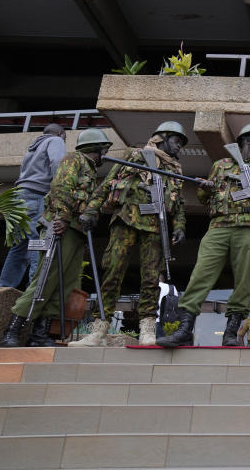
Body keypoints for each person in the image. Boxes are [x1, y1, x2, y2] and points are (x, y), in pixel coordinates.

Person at [157, 123, 250, 348]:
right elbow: (204, 198)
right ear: (246, 140)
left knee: (243, 281)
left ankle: (231, 332)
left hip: (249, 228)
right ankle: (185, 328)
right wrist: (206, 187)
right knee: (201, 275)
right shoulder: (220, 166)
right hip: (218, 227)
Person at [75, 121, 188, 347]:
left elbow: (178, 202)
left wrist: (179, 225)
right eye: (177, 141)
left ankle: (147, 329)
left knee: (151, 279)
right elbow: (108, 184)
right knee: (113, 271)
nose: (179, 147)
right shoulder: (134, 155)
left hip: (155, 227)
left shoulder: (174, 169)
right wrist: (91, 209)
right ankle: (99, 330)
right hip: (126, 219)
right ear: (162, 137)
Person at [0, 129, 112, 347]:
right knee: (45, 279)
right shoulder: (74, 159)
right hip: (62, 228)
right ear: (94, 148)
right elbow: (61, 187)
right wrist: (63, 217)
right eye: (102, 150)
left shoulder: (88, 169)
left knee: (64, 285)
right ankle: (12, 330)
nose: (104, 155)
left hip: (76, 232)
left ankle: (40, 334)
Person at [0, 123, 67, 289]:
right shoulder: (56, 141)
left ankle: (3, 289)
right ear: (60, 133)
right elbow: (57, 163)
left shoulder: (32, 148)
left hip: (19, 198)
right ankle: (34, 290)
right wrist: (60, 191)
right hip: (36, 196)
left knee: (20, 247)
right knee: (39, 242)